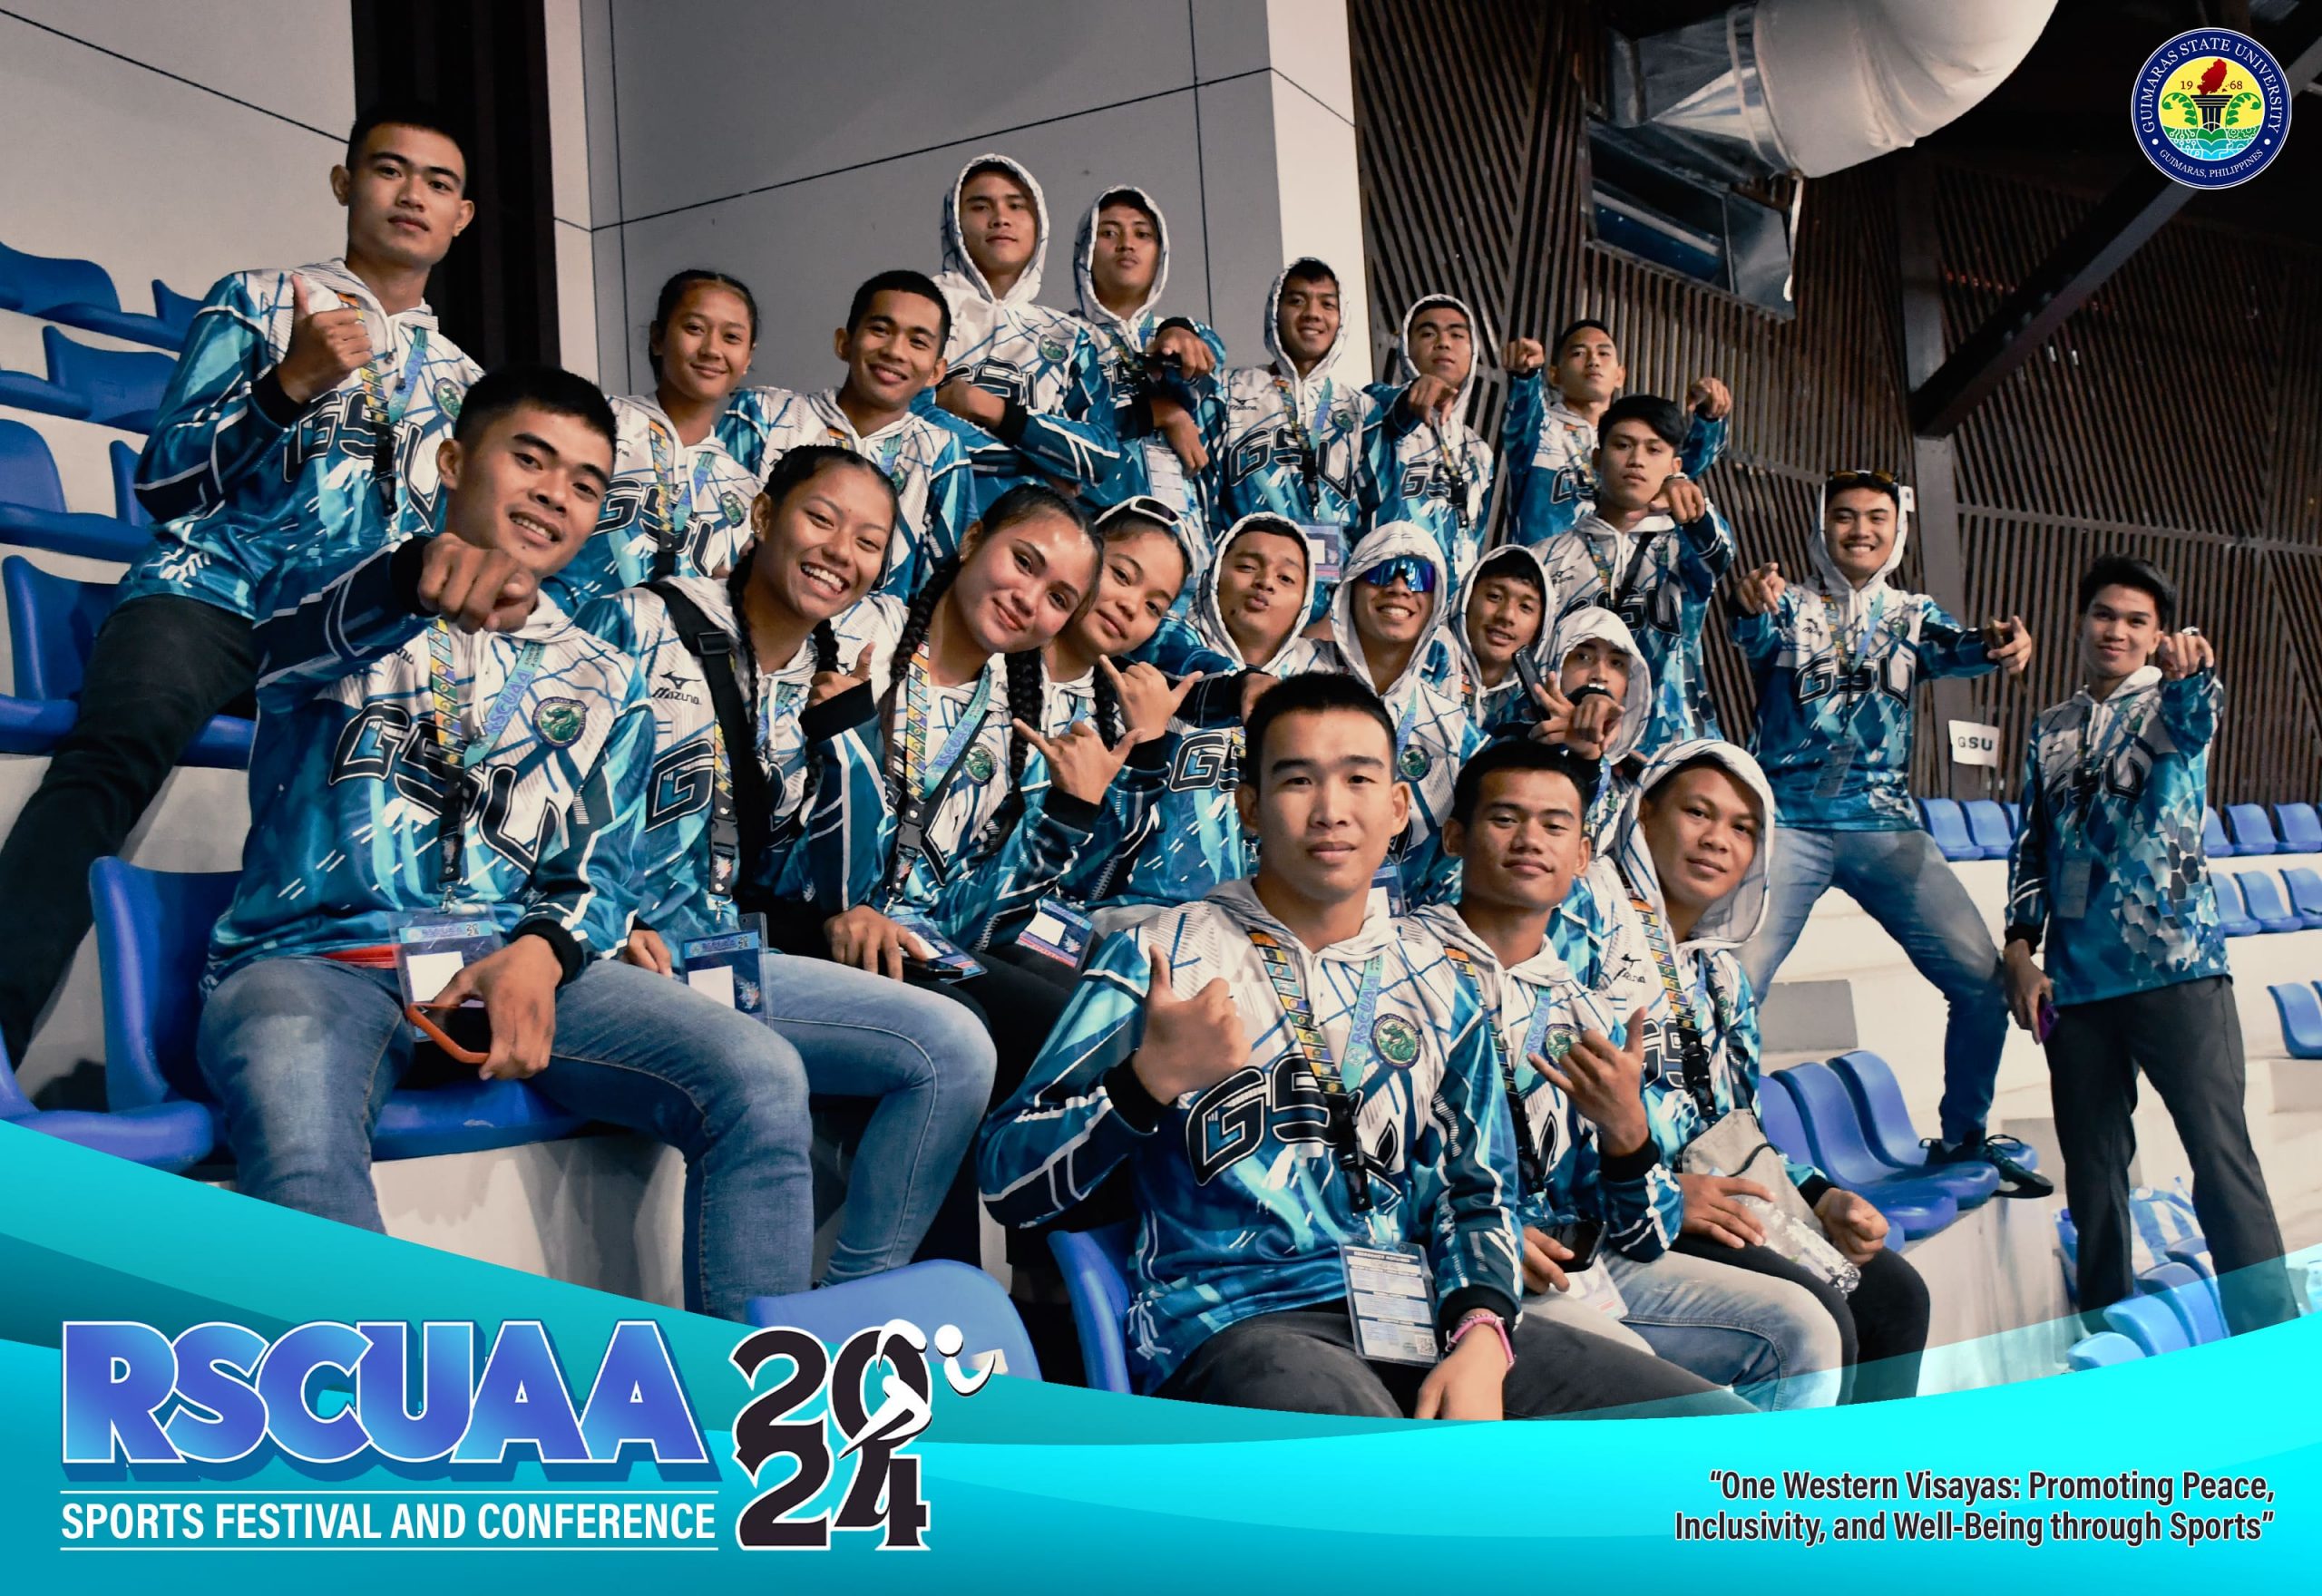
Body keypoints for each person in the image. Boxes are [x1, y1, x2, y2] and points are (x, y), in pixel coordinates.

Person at [196, 367, 815, 1319]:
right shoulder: (338, 583)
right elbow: (275, 645)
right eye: (530, 459)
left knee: (762, 1076)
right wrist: (406, 581)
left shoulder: (605, 669)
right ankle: (367, 1405)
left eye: (584, 483)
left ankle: (756, 1397)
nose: (554, 494)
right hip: (317, 957)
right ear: (453, 461)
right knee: (297, 1120)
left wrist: (544, 949)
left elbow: (599, 871)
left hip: (511, 960)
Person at [980, 672, 1747, 1417]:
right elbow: (1007, 1183)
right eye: (1297, 781)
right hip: (1239, 1323)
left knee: (1710, 1438)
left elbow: (1476, 1193)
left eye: (1357, 780)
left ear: (1398, 806)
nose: (1331, 811)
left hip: (1420, 1317)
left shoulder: (1439, 979)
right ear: (1249, 806)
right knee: (1387, 1472)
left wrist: (1482, 1331)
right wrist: (1147, 1082)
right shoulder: (1162, 957)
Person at [0, 102, 481, 1066]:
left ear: (461, 217)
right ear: (345, 183)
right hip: (210, 592)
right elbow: (163, 481)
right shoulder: (260, 299)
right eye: (389, 170)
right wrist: (286, 384)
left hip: (345, 630)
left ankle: (415, 1041)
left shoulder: (465, 380)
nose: (412, 195)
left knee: (445, 776)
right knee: (114, 751)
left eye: (438, 183)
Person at [577, 445, 997, 1282]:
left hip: (718, 957)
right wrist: (605, 922)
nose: (842, 552)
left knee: (956, 1048)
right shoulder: (639, 621)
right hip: (605, 952)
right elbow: (552, 792)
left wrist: (846, 738)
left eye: (869, 542)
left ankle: (854, 1304)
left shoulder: (827, 674)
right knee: (761, 1074)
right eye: (821, 519)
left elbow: (835, 887)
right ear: (765, 515)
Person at [1421, 740, 1842, 1408]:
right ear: (1454, 838)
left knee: (1803, 1329)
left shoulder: (1583, 1003)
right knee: (1643, 1376)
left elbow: (1642, 1232)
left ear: (1582, 856)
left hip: (1581, 1259)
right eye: (1505, 819)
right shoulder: (1401, 973)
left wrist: (1627, 1138)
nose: (1531, 840)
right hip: (1459, 1264)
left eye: (1555, 825)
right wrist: (1479, 1239)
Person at [1732, 471, 2046, 1193]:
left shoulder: (1912, 615)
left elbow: (1966, 646)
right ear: (1821, 527)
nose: (1861, 530)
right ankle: (1733, 1142)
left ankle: (1964, 1137)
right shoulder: (1787, 605)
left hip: (1886, 826)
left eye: (1876, 517)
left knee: (1982, 983)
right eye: (1844, 516)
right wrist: (1748, 603)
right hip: (1789, 823)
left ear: (1897, 531)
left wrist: (2003, 644)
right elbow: (1750, 634)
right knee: (1733, 987)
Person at [2005, 557, 2297, 1336]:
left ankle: (2271, 1344)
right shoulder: (2050, 728)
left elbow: (2201, 709)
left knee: (2220, 1159)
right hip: (2077, 984)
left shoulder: (2175, 703)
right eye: (2105, 614)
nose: (2118, 631)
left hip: (2179, 972)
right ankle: (2105, 1336)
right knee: (2093, 1176)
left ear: (2158, 634)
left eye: (2137, 621)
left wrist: (2192, 671)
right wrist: (2020, 948)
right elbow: (2033, 845)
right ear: (2081, 621)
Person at [1611, 739, 1932, 1403]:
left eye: (1743, 828)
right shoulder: (1589, 951)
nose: (1718, 840)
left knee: (1896, 1295)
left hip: (1729, 1208)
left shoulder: (1723, 978)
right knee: (1821, 1313)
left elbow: (1742, 1131)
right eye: (1698, 813)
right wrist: (1664, 1192)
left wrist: (1822, 1197)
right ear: (1643, 816)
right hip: (1633, 1216)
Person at [1087, 513, 1319, 929]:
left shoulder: (1308, 695)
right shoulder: (1162, 636)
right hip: (1131, 906)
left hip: (1241, 918)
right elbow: (1187, 665)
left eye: (1286, 578)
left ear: (1304, 603)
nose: (1264, 583)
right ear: (1214, 578)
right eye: (1247, 566)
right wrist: (1241, 685)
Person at [718, 269, 975, 600]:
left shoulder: (940, 453)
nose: (896, 351)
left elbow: (939, 593)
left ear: (936, 371)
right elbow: (713, 539)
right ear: (844, 342)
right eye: (880, 330)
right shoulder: (764, 414)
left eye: (918, 342)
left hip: (876, 634)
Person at [1271, 524, 1478, 909]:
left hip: (1395, 926)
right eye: (1381, 571)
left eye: (1418, 576)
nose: (1399, 588)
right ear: (1351, 585)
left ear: (1437, 599)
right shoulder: (1285, 669)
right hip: (1278, 907)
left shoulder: (1452, 727)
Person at [548, 268, 763, 609]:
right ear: (658, 338)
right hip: (558, 630)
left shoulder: (746, 491)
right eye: (694, 328)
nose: (712, 349)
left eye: (731, 337)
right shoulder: (597, 420)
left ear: (748, 357)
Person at [1533, 394, 1734, 748]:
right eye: (1623, 445)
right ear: (1597, 458)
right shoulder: (1546, 557)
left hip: (1671, 747)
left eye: (1653, 450)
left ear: (1674, 467)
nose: (1637, 460)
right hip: (1572, 742)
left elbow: (1720, 554)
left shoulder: (1683, 547)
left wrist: (1695, 513)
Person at [927, 156, 1120, 512]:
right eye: (980, 206)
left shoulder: (1068, 335)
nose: (1000, 218)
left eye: (1016, 206)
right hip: (933, 519)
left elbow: (1102, 455)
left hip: (1039, 532)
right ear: (954, 223)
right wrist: (1043, 459)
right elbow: (901, 421)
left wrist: (990, 409)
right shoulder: (921, 309)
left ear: (1039, 224)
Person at [1195, 258, 1377, 620]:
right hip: (1246, 598)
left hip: (1332, 611)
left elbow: (1373, 518)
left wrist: (1348, 614)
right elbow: (1203, 497)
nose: (1313, 314)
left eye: (1327, 304)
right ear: (1274, 313)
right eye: (1297, 300)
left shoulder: (1362, 410)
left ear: (1342, 319)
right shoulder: (1229, 390)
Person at [1070, 186, 1225, 541]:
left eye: (1142, 234)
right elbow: (1059, 433)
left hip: (1185, 538)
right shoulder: (1060, 337)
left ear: (1160, 253)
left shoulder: (1187, 337)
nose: (1127, 244)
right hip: (1096, 534)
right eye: (1109, 233)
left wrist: (1178, 330)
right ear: (1085, 251)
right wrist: (1156, 414)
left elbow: (1207, 377)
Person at [1498, 318, 1728, 548]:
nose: (1593, 361)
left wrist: (1708, 419)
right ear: (1554, 375)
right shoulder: (1538, 431)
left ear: (1620, 375)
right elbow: (1522, 413)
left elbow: (1687, 462)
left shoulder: (1640, 440)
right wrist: (1526, 376)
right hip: (1541, 567)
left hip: (1624, 566)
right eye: (1578, 353)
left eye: (1604, 353)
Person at [1363, 294, 1495, 584]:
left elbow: (1476, 535)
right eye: (1427, 333)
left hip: (1451, 598)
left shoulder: (1480, 451)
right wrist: (1412, 395)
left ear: (1473, 351)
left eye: (1456, 334)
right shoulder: (1375, 407)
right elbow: (1393, 413)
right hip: (1387, 589)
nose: (1443, 342)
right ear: (1407, 348)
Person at [1453, 545, 1555, 734]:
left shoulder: (1532, 709)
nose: (1507, 615)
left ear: (1540, 629)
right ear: (1465, 600)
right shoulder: (1426, 669)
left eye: (1525, 607)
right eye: (1495, 597)